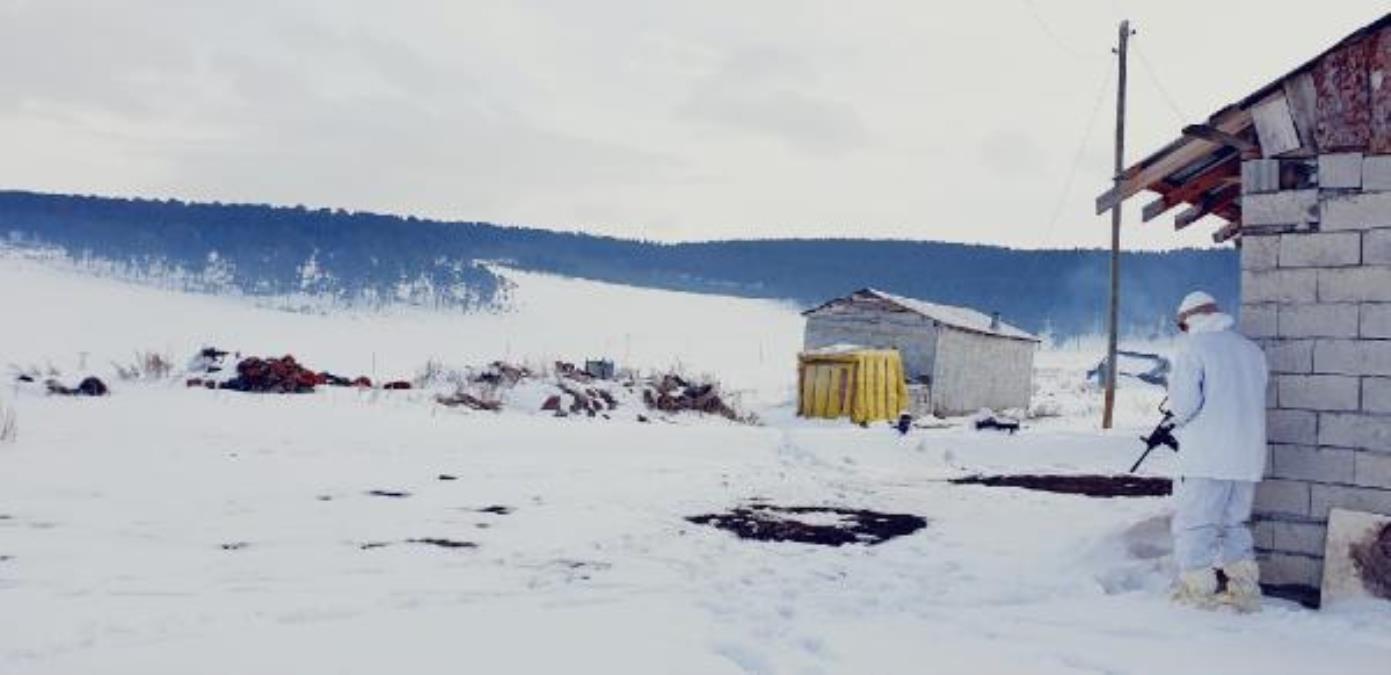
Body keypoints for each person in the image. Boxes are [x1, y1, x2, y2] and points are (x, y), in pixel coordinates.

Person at [1166, 291, 1269, 611]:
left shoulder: (1191, 348)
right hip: (1247, 455)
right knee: (1234, 523)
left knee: (1195, 523)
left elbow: (1183, 407)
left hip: (1207, 455)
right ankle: (1244, 590)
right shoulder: (1251, 351)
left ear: (1188, 321)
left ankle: (1196, 592)